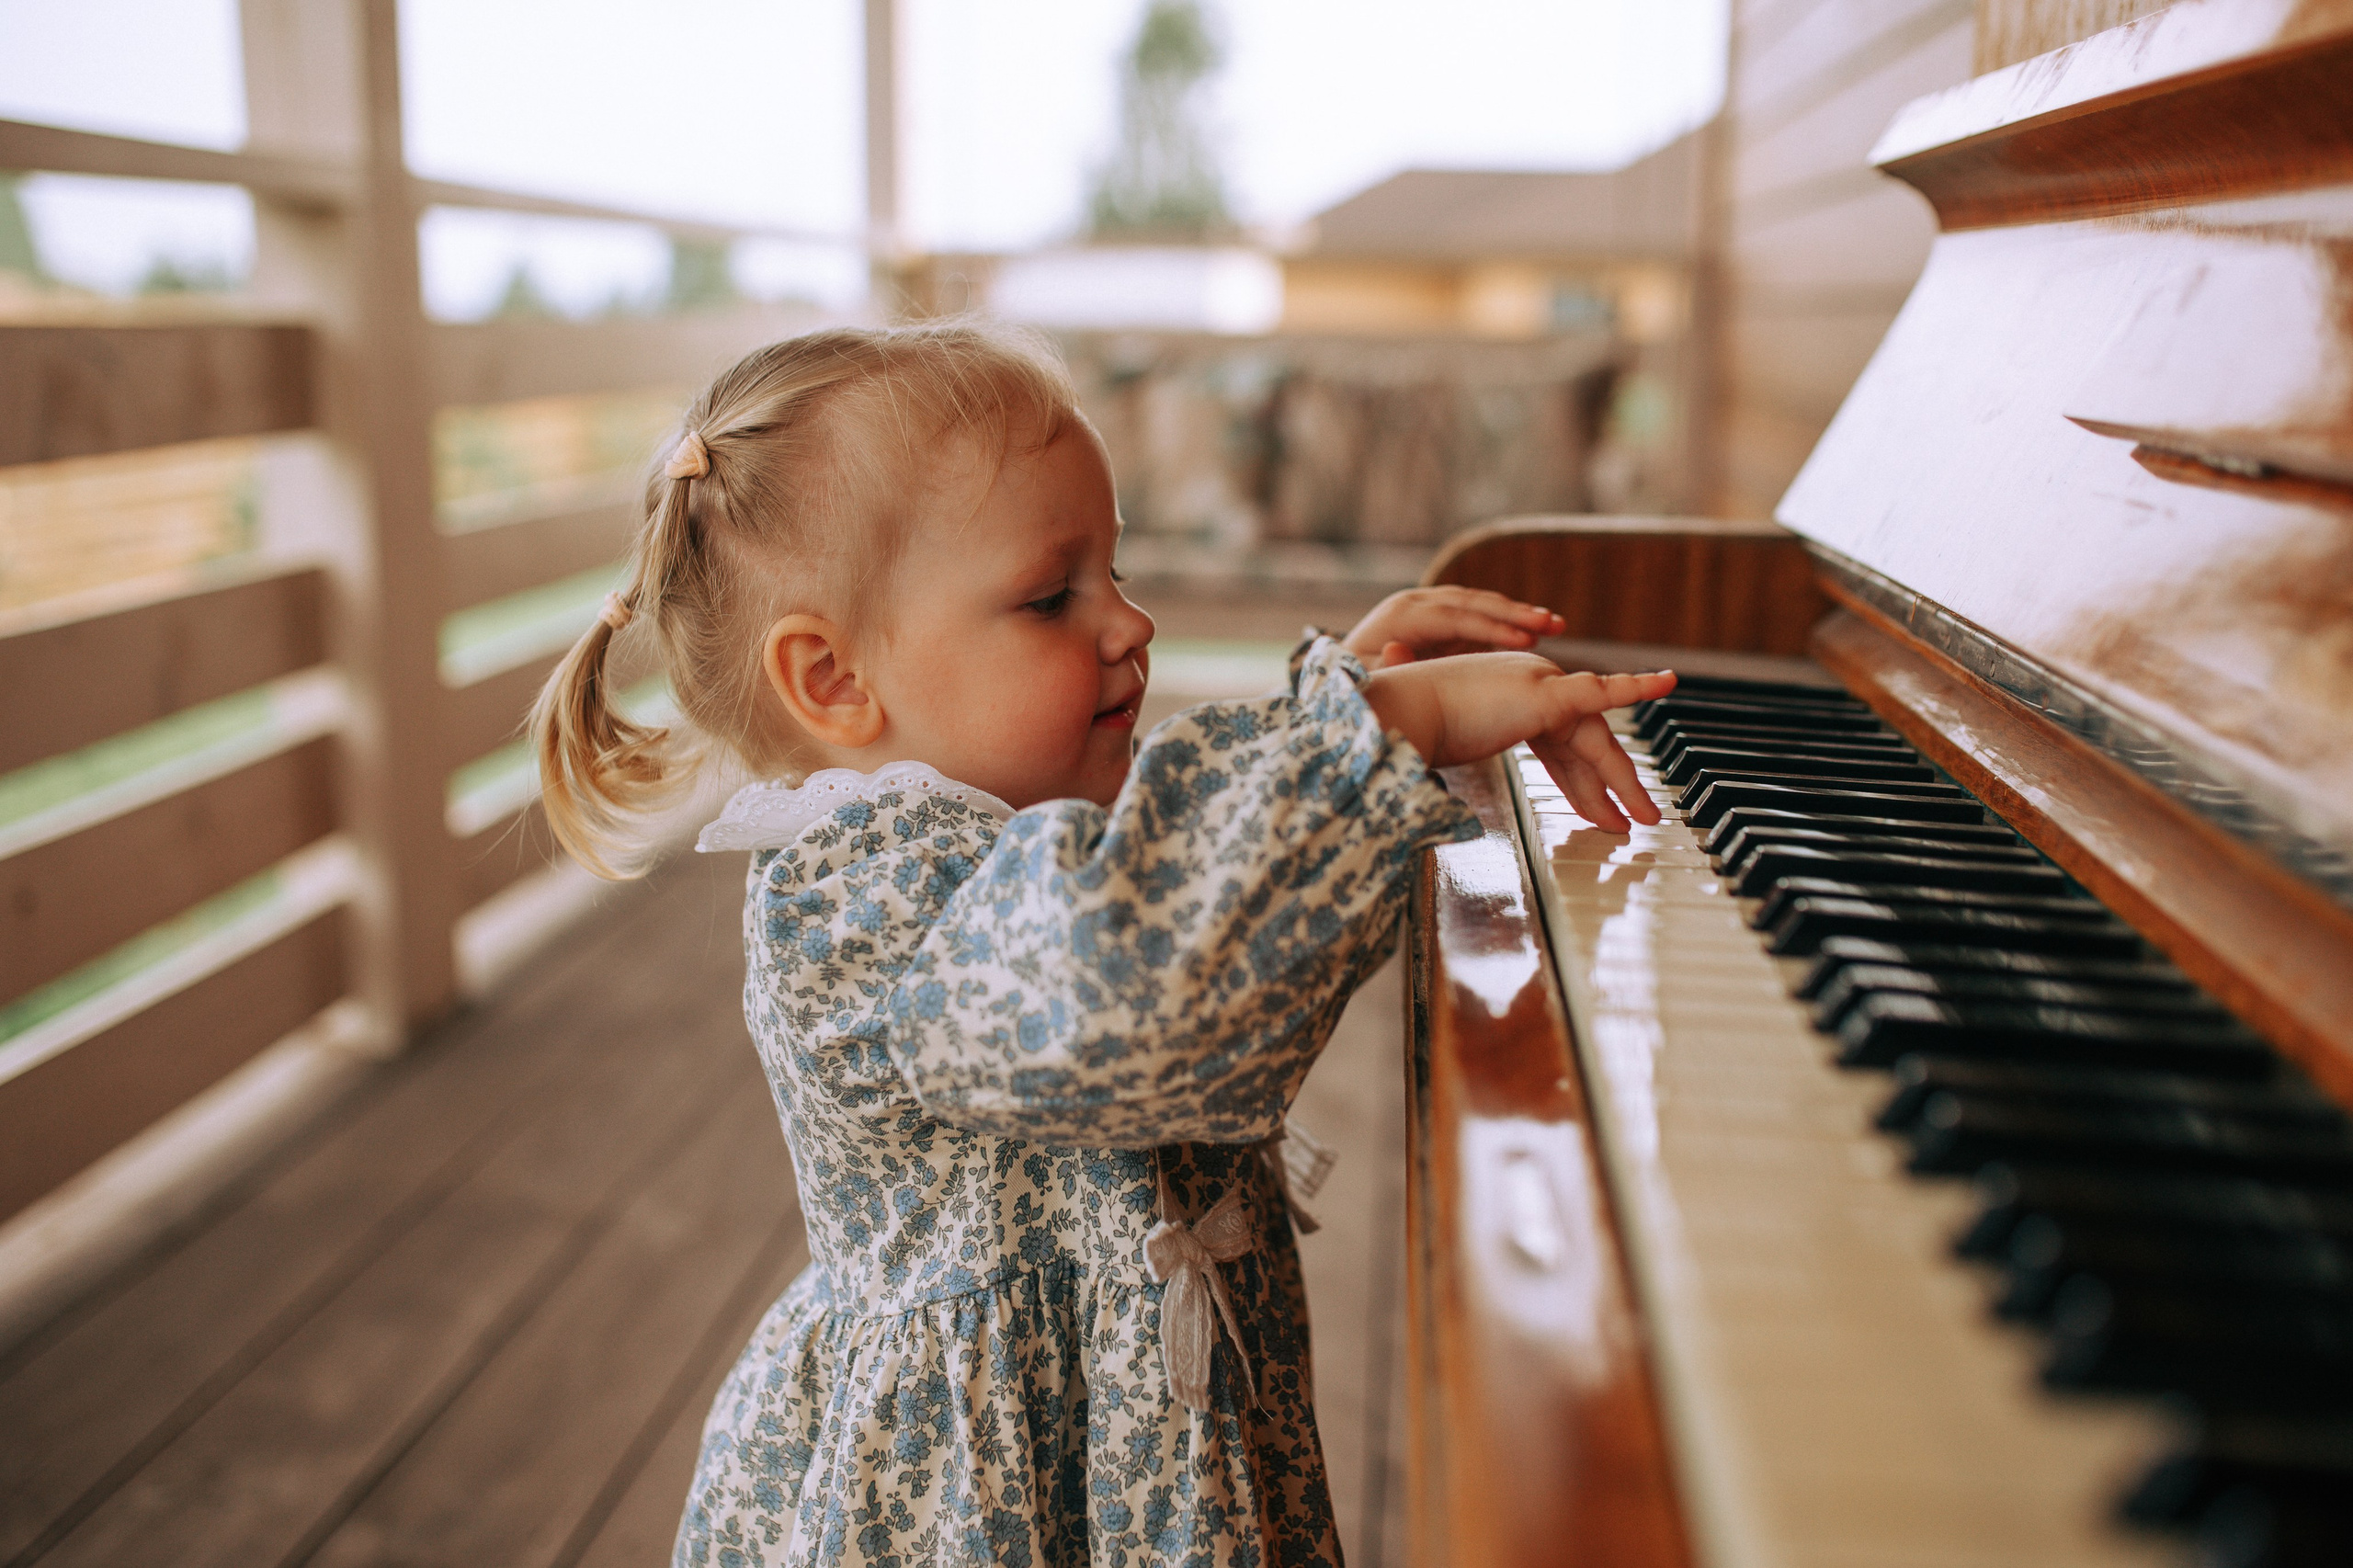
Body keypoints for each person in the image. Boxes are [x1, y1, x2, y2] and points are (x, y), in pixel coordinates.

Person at [530, 322, 1672, 1568]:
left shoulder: (1027, 827)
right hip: (998, 1504)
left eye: (1114, 571)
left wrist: (1333, 714)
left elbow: (1204, 909)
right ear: (834, 680)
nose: (1131, 623)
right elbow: (1136, 987)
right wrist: (1379, 733)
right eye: (1051, 594)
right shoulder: (863, 901)